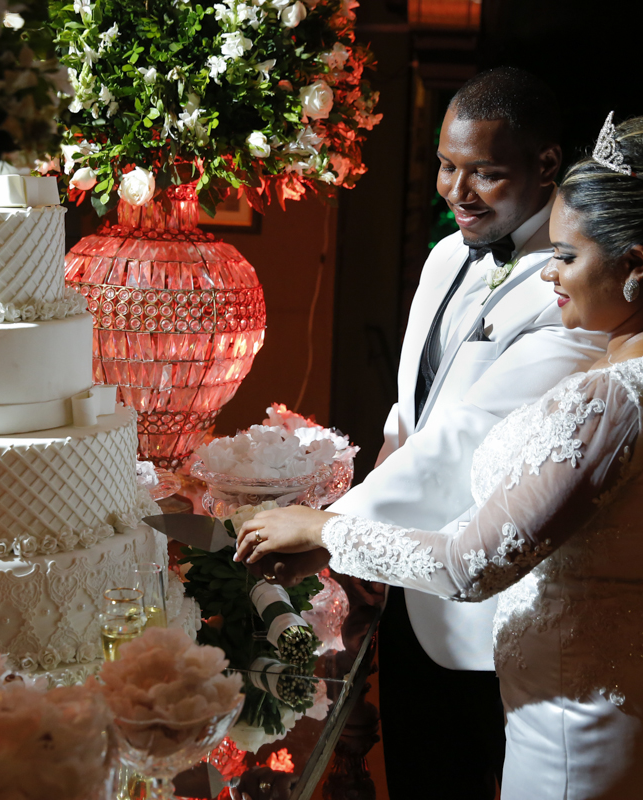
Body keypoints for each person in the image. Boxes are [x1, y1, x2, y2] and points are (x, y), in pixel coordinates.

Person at [236, 113, 643, 799]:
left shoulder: (609, 401)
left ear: (635, 264)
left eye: (566, 256)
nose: (550, 274)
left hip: (592, 719)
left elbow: (468, 566)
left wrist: (323, 529)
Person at [260, 67, 607, 799]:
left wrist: (330, 531)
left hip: (498, 600)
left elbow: (469, 441)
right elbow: (418, 410)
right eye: (449, 167)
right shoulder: (447, 253)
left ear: (546, 165)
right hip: (411, 587)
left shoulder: (569, 289)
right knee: (421, 776)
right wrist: (380, 467)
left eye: (485, 172)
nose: (458, 191)